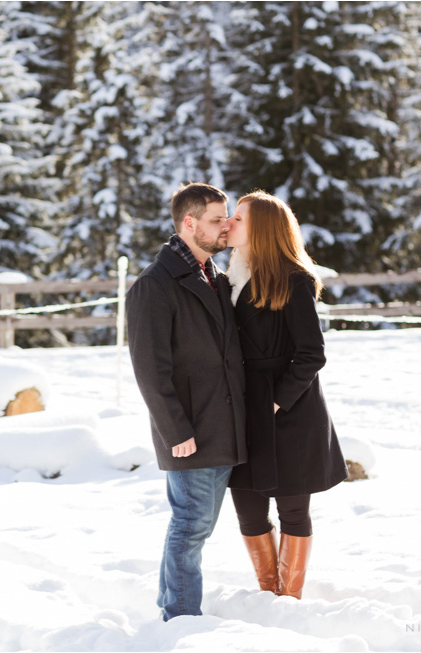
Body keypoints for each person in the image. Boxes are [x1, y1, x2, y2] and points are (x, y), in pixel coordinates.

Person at [126, 182, 248, 621]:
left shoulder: (213, 275)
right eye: (217, 220)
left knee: (196, 526)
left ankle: (169, 602)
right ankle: (180, 618)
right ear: (189, 223)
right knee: (191, 525)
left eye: (227, 218)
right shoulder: (153, 286)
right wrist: (176, 430)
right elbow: (149, 370)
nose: (225, 227)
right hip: (190, 431)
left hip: (222, 424)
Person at [223, 190, 348, 600]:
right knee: (248, 508)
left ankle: (288, 600)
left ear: (261, 229)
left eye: (238, 219)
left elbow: (311, 354)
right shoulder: (230, 279)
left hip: (289, 411)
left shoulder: (294, 279)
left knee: (293, 509)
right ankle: (267, 593)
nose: (229, 224)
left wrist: (276, 400)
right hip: (243, 409)